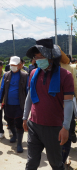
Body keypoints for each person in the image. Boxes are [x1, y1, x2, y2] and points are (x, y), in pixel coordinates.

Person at [23, 38, 74, 170]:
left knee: (56, 163)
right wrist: (25, 117)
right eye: (36, 57)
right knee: (31, 163)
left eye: (42, 56)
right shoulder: (33, 73)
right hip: (34, 125)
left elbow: (68, 102)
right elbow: (29, 96)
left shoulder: (65, 75)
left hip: (54, 127)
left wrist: (66, 127)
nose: (39, 59)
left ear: (51, 57)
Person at [0, 56, 29, 153]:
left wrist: (29, 105)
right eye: (11, 65)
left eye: (14, 65)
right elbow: (2, 89)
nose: (13, 67)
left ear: (19, 65)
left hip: (19, 104)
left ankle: (19, 143)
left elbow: (27, 90)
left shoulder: (25, 75)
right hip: (8, 104)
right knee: (8, 120)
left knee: (19, 123)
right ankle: (14, 135)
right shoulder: (6, 75)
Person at [59, 50, 77, 168]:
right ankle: (63, 159)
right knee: (67, 134)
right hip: (67, 107)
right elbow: (74, 89)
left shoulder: (41, 68)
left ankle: (59, 159)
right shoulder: (69, 68)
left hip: (52, 110)